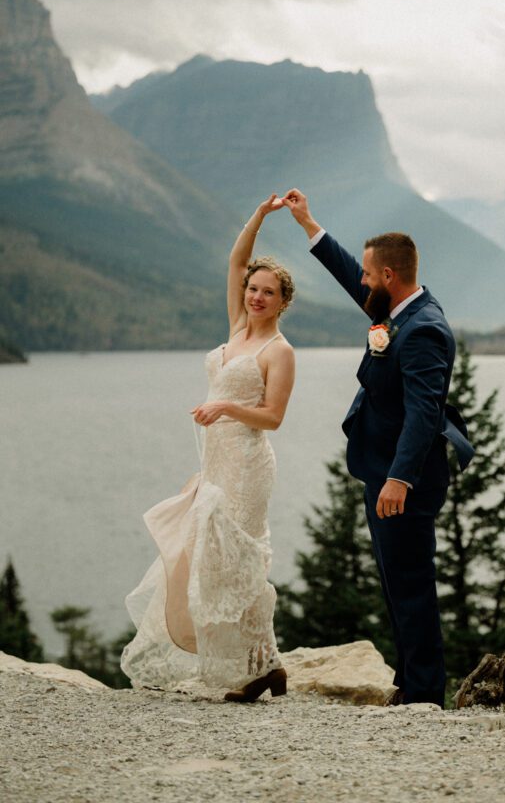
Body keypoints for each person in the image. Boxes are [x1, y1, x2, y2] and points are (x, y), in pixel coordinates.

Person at [283, 188, 458, 708]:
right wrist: (308, 224)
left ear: (387, 276)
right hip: (381, 473)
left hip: (403, 482)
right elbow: (347, 276)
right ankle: (409, 685)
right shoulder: (398, 308)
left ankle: (425, 696)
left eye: (367, 272)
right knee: (396, 586)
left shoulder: (424, 329)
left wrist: (399, 479)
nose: (361, 279)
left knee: (411, 587)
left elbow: (426, 412)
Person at [121, 194, 296, 702]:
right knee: (211, 561)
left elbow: (275, 418)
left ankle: (256, 668)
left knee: (238, 562)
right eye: (253, 289)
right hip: (216, 461)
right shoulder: (237, 330)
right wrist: (260, 215)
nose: (257, 296)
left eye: (268, 292)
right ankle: (266, 666)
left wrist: (226, 410)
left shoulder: (278, 352)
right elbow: (236, 261)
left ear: (284, 301)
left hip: (247, 463)